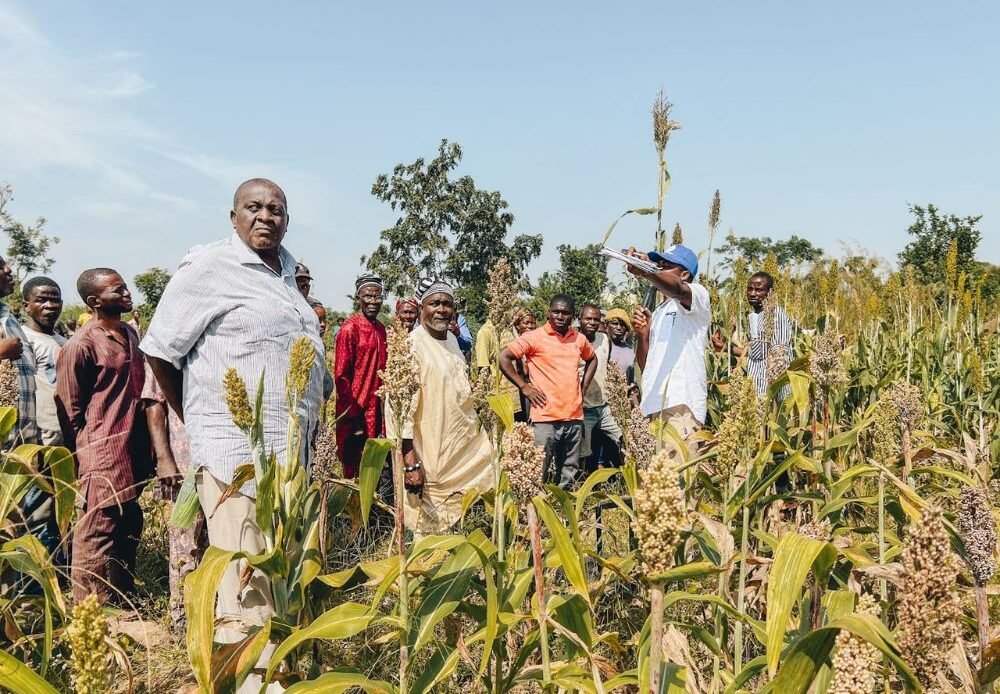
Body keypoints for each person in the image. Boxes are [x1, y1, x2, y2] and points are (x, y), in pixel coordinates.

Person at [141, 179, 326, 691]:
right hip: (235, 455)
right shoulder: (209, 267)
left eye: (277, 209)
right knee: (243, 573)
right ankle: (247, 682)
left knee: (283, 571)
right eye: (255, 207)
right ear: (233, 216)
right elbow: (159, 348)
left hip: (288, 460)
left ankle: (280, 675)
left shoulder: (287, 273)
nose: (266, 216)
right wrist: (198, 418)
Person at [56, 268, 154, 604]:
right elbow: (69, 407)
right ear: (94, 301)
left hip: (133, 446)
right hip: (102, 448)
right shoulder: (81, 344)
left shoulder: (129, 332)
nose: (127, 293)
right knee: (97, 526)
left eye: (126, 286)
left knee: (130, 518)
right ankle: (89, 608)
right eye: (118, 289)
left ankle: (122, 593)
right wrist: (84, 450)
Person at [385, 278, 493, 534]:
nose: (442, 309)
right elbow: (398, 411)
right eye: (435, 303)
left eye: (447, 304)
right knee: (427, 526)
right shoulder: (412, 346)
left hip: (461, 448)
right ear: (422, 308)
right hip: (428, 451)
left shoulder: (453, 342)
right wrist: (410, 462)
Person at [499, 295, 597, 489]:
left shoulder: (579, 339)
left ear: (573, 316)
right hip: (544, 419)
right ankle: (535, 517)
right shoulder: (533, 337)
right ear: (548, 312)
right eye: (556, 311)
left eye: (565, 313)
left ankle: (563, 516)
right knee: (537, 474)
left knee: (568, 476)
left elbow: (592, 359)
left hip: (573, 418)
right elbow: (504, 357)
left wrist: (583, 387)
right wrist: (524, 387)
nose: (560, 316)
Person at [627, 244, 710, 456]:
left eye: (666, 265)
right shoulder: (660, 312)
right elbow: (647, 367)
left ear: (684, 274)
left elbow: (678, 289)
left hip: (679, 408)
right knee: (655, 486)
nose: (660, 268)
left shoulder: (697, 297)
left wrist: (646, 270)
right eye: (658, 264)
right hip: (653, 408)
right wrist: (643, 334)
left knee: (677, 482)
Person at [142, 363, 206, 631]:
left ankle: (209, 613)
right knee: (185, 543)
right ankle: (183, 619)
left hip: (217, 460)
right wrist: (165, 458)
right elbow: (154, 403)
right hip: (183, 461)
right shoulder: (171, 341)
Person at [334, 275, 388, 478]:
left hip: (377, 410)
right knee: (353, 467)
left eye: (377, 297)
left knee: (373, 465)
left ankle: (372, 508)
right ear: (359, 298)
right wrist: (353, 417)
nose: (373, 302)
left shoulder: (381, 329)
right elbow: (341, 377)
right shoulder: (349, 329)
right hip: (355, 412)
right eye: (368, 296)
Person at [711, 272, 792, 396]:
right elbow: (756, 352)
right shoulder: (754, 316)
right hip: (755, 388)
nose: (752, 293)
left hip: (773, 391)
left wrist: (773, 391)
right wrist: (724, 348)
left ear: (770, 292)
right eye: (750, 289)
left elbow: (779, 354)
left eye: (759, 290)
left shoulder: (776, 314)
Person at [578, 303, 622, 470]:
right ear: (579, 319)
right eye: (588, 318)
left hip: (604, 408)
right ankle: (581, 490)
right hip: (584, 409)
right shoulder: (573, 341)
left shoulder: (604, 340)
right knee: (583, 454)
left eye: (596, 319)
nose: (592, 322)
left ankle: (630, 480)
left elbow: (606, 366)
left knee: (624, 438)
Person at [474, 309, 521, 422]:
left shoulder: (507, 330)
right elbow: (483, 369)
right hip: (498, 400)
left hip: (513, 399)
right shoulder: (485, 332)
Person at [605, 308, 636, 382]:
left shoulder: (631, 351)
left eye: (622, 325)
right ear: (606, 326)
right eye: (615, 324)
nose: (619, 328)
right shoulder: (601, 347)